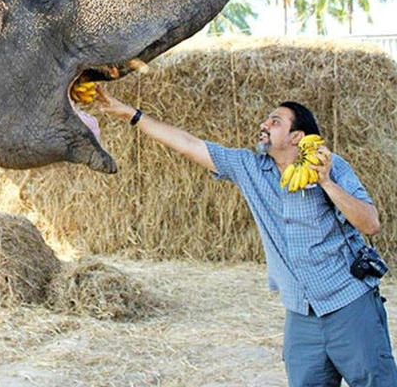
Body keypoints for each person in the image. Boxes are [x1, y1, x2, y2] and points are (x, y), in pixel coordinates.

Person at [95, 84, 397, 387]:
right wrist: (131, 115)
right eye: (267, 120)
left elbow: (370, 223)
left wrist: (327, 183)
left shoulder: (332, 166)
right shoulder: (249, 167)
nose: (264, 125)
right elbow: (187, 143)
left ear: (297, 138)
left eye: (275, 121)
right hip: (300, 314)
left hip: (349, 304)